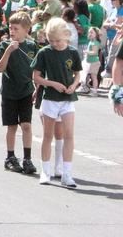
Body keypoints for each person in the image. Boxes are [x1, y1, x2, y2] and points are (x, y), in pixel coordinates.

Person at [31, 17, 82, 188]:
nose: (55, 43)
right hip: (50, 99)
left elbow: (77, 74)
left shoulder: (73, 52)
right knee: (48, 136)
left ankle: (66, 174)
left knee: (69, 135)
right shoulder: (45, 52)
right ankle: (46, 171)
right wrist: (52, 83)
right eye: (51, 40)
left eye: (58, 40)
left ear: (67, 35)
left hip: (67, 99)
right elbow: (36, 77)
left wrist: (74, 85)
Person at [0, 12, 38, 175]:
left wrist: (38, 88)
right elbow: (0, 68)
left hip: (26, 90)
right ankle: (10, 157)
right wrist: (9, 51)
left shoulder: (32, 46)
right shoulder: (4, 46)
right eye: (10, 28)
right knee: (12, 126)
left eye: (16, 28)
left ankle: (27, 158)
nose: (12, 31)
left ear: (26, 30)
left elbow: (37, 70)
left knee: (26, 125)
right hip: (10, 92)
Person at [78, 27, 101, 96]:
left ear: (96, 34)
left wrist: (87, 52)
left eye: (92, 32)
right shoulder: (91, 42)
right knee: (86, 75)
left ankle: (94, 91)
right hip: (89, 62)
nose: (90, 34)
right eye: (89, 32)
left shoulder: (95, 43)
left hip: (94, 62)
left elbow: (94, 52)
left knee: (94, 77)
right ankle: (85, 87)